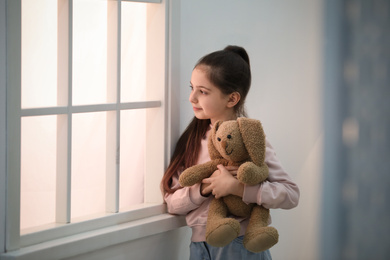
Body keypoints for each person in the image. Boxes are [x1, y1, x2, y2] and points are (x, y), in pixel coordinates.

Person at [161, 45, 300, 260]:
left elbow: (290, 194)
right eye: (192, 88)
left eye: (203, 92)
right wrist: (205, 188)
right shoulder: (192, 141)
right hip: (199, 247)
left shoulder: (251, 141)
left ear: (232, 99)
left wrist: (239, 188)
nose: (192, 98)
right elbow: (172, 202)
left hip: (240, 246)